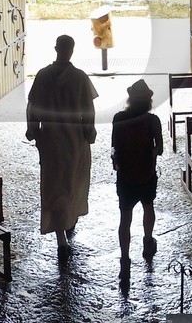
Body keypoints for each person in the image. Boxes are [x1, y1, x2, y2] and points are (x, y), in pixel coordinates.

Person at [25, 34, 98, 253]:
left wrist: (33, 130)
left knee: (54, 184)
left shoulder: (43, 76)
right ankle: (70, 220)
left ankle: (60, 236)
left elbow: (33, 107)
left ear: (55, 48)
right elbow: (89, 111)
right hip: (74, 138)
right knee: (73, 180)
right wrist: (89, 132)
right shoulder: (80, 78)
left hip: (50, 138)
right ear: (72, 50)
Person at [110, 78, 162, 280]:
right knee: (148, 207)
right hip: (147, 172)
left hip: (125, 175)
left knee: (125, 217)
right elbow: (160, 149)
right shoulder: (153, 120)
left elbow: (114, 146)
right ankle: (148, 241)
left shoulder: (118, 118)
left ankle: (125, 258)